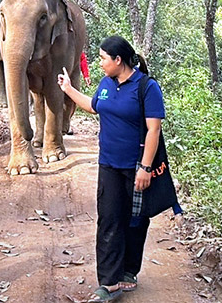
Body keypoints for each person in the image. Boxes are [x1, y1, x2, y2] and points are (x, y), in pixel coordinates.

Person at [57, 36, 165, 302]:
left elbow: (154, 129)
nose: (99, 62)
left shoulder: (146, 87)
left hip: (136, 167)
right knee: (108, 220)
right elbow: (94, 107)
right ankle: (109, 281)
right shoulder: (107, 83)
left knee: (135, 220)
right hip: (109, 164)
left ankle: (129, 271)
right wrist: (69, 89)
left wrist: (145, 167)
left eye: (104, 58)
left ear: (118, 60)